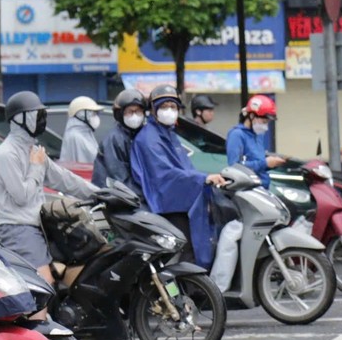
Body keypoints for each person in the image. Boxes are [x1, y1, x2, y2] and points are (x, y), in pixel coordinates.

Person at [0, 91, 96, 285]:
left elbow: (63, 179)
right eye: (37, 115)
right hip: (18, 229)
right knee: (43, 283)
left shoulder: (33, 150)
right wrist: (37, 167)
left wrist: (99, 193)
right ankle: (39, 316)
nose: (42, 120)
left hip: (41, 226)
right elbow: (22, 196)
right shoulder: (7, 154)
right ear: (20, 119)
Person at [130, 85, 226, 267]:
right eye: (165, 106)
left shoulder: (169, 134)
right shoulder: (148, 138)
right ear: (154, 109)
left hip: (180, 199)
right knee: (188, 246)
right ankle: (185, 290)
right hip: (166, 204)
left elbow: (185, 167)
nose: (170, 111)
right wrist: (202, 179)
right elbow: (164, 175)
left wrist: (203, 178)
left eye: (173, 107)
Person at [93, 89, 146, 193]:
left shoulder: (139, 134)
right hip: (116, 198)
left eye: (138, 111)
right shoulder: (115, 139)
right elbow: (120, 179)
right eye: (130, 111)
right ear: (120, 114)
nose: (135, 116)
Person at [225, 95, 284, 187]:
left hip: (262, 186)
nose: (266, 126)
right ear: (252, 116)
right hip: (248, 189)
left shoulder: (259, 135)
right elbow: (234, 166)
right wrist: (265, 163)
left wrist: (272, 164)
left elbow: (257, 162)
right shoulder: (237, 135)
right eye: (264, 122)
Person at [59, 96, 101, 163]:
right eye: (93, 113)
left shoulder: (86, 134)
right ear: (82, 114)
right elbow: (96, 159)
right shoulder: (75, 136)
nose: (96, 117)